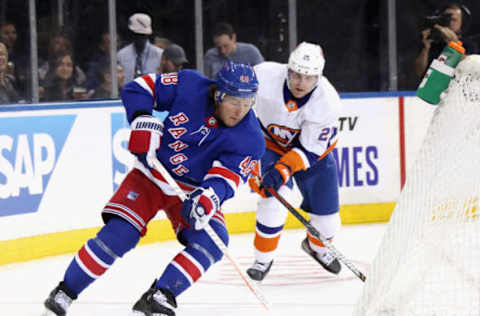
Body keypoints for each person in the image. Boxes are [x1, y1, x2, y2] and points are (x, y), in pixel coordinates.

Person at [42, 60, 265, 315]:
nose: (240, 111)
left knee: (214, 241)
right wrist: (141, 119)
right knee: (121, 234)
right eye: (235, 102)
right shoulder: (190, 85)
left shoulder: (251, 139)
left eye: (247, 103)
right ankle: (64, 293)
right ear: (218, 94)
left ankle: (160, 295)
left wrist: (208, 198)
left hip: (191, 192)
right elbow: (138, 88)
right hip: (152, 175)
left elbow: (226, 179)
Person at [246, 42, 343, 281]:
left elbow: (309, 151)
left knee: (329, 222)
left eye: (308, 78)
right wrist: (247, 156)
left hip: (314, 156)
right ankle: (262, 259)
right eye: (297, 75)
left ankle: (317, 248)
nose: (301, 83)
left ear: (318, 77)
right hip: (269, 144)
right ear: (288, 69)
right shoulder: (263, 75)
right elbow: (237, 104)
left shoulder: (327, 101)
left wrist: (281, 170)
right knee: (272, 201)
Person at [414, 3, 477, 77]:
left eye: (454, 20)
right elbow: (420, 73)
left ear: (462, 23)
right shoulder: (433, 44)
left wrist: (454, 44)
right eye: (446, 19)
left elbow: (470, 70)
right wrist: (425, 48)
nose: (450, 23)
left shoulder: (469, 45)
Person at [117, 13, 163, 83]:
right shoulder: (121, 55)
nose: (140, 38)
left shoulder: (160, 55)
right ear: (132, 34)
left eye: (143, 35)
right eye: (137, 35)